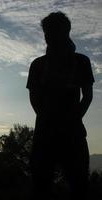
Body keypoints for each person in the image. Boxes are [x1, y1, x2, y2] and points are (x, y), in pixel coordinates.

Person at [26, 12, 94, 200]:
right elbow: (34, 99)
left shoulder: (81, 62)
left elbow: (87, 97)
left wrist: (70, 121)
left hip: (69, 134)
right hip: (48, 134)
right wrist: (57, 121)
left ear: (66, 32)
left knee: (78, 185)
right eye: (47, 33)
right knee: (41, 186)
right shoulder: (38, 65)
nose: (48, 37)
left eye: (53, 32)